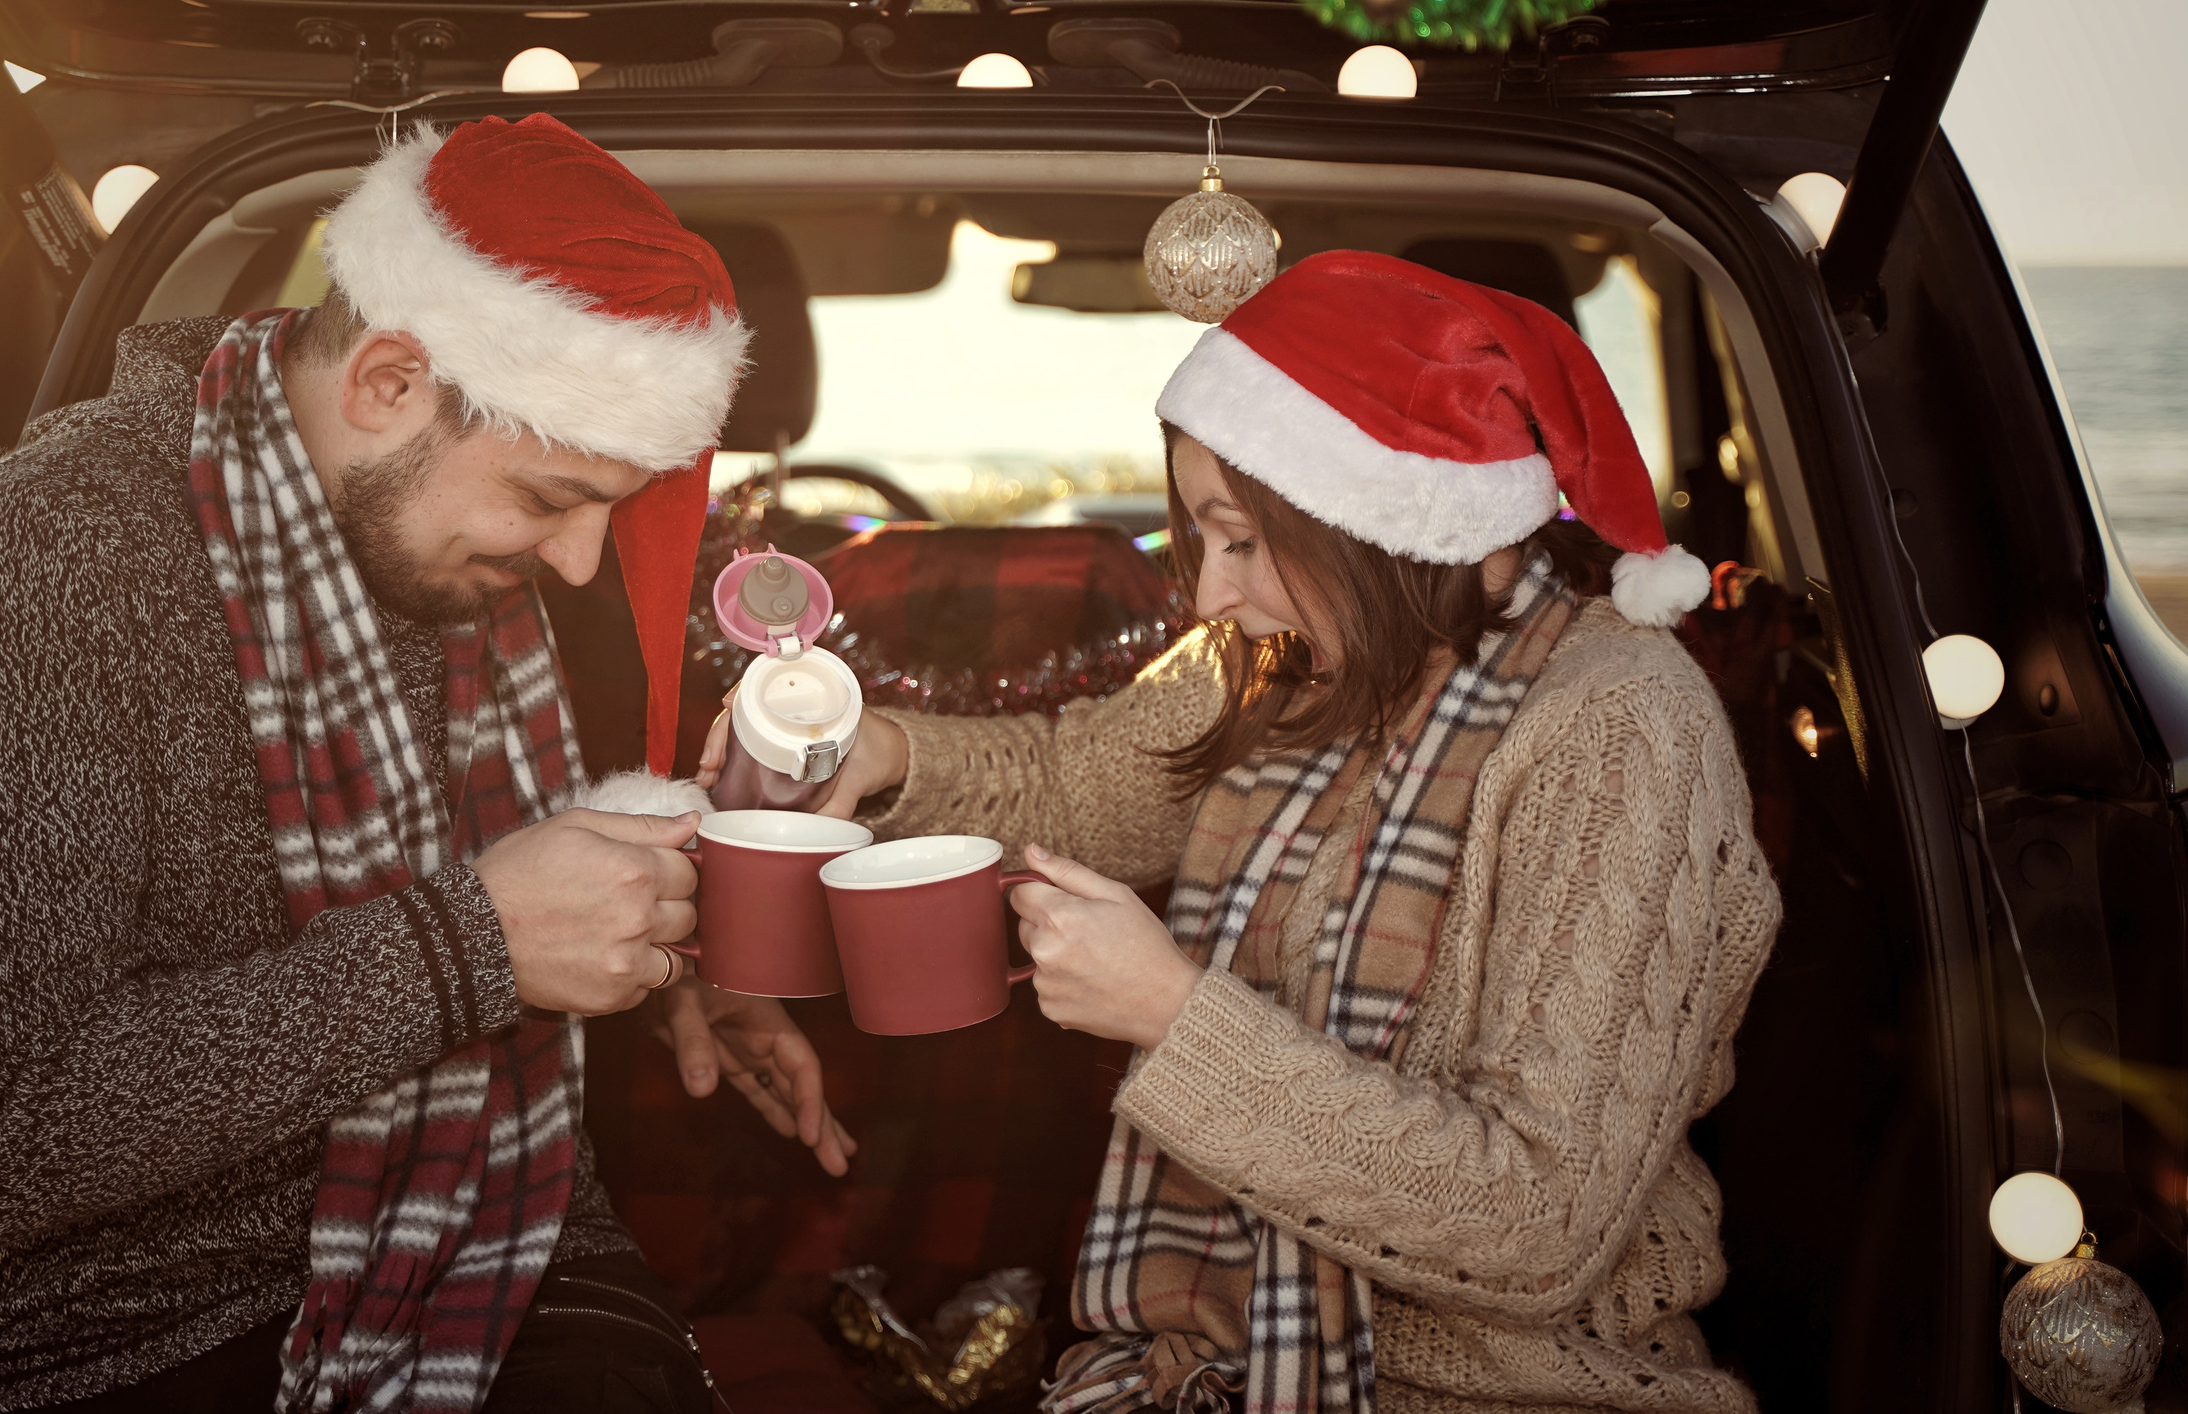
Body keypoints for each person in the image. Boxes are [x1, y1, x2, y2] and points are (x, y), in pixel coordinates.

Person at [0, 114, 852, 1414]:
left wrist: (666, 965)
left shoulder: (474, 549)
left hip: (518, 1241)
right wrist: (472, 944)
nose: (575, 561)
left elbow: (556, 902)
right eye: (554, 496)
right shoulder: (43, 559)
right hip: (139, 1330)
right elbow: (0, 1140)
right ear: (389, 380)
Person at [706, 252, 1780, 1412]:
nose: (1208, 594)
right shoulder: (1278, 662)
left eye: (1242, 539)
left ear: (1381, 520)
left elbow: (1538, 1224)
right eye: (1198, 537)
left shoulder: (1616, 725)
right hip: (1187, 1377)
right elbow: (1079, 783)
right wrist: (885, 755)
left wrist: (1172, 1016)